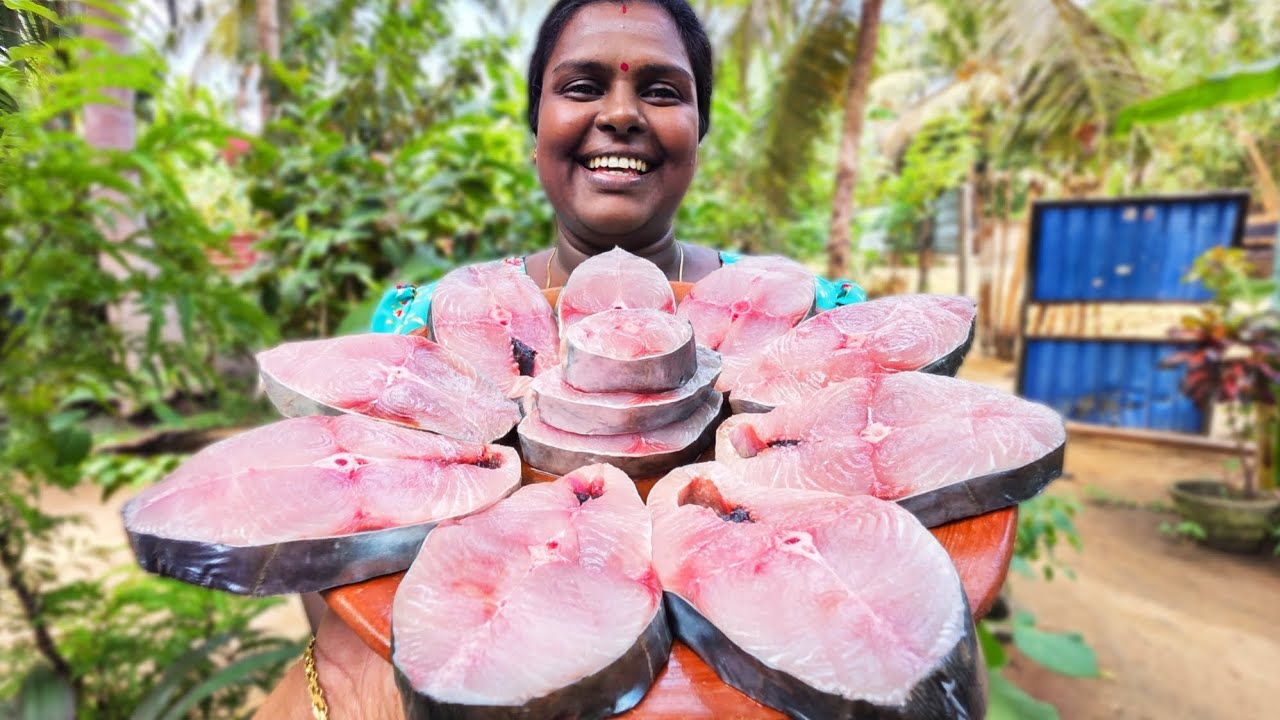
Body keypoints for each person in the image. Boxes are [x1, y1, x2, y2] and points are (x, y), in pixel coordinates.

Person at [256, 1, 863, 716]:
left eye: (662, 91)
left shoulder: (816, 317)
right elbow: (332, 538)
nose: (622, 113)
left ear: (700, 125)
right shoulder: (422, 326)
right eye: (582, 86)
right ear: (535, 117)